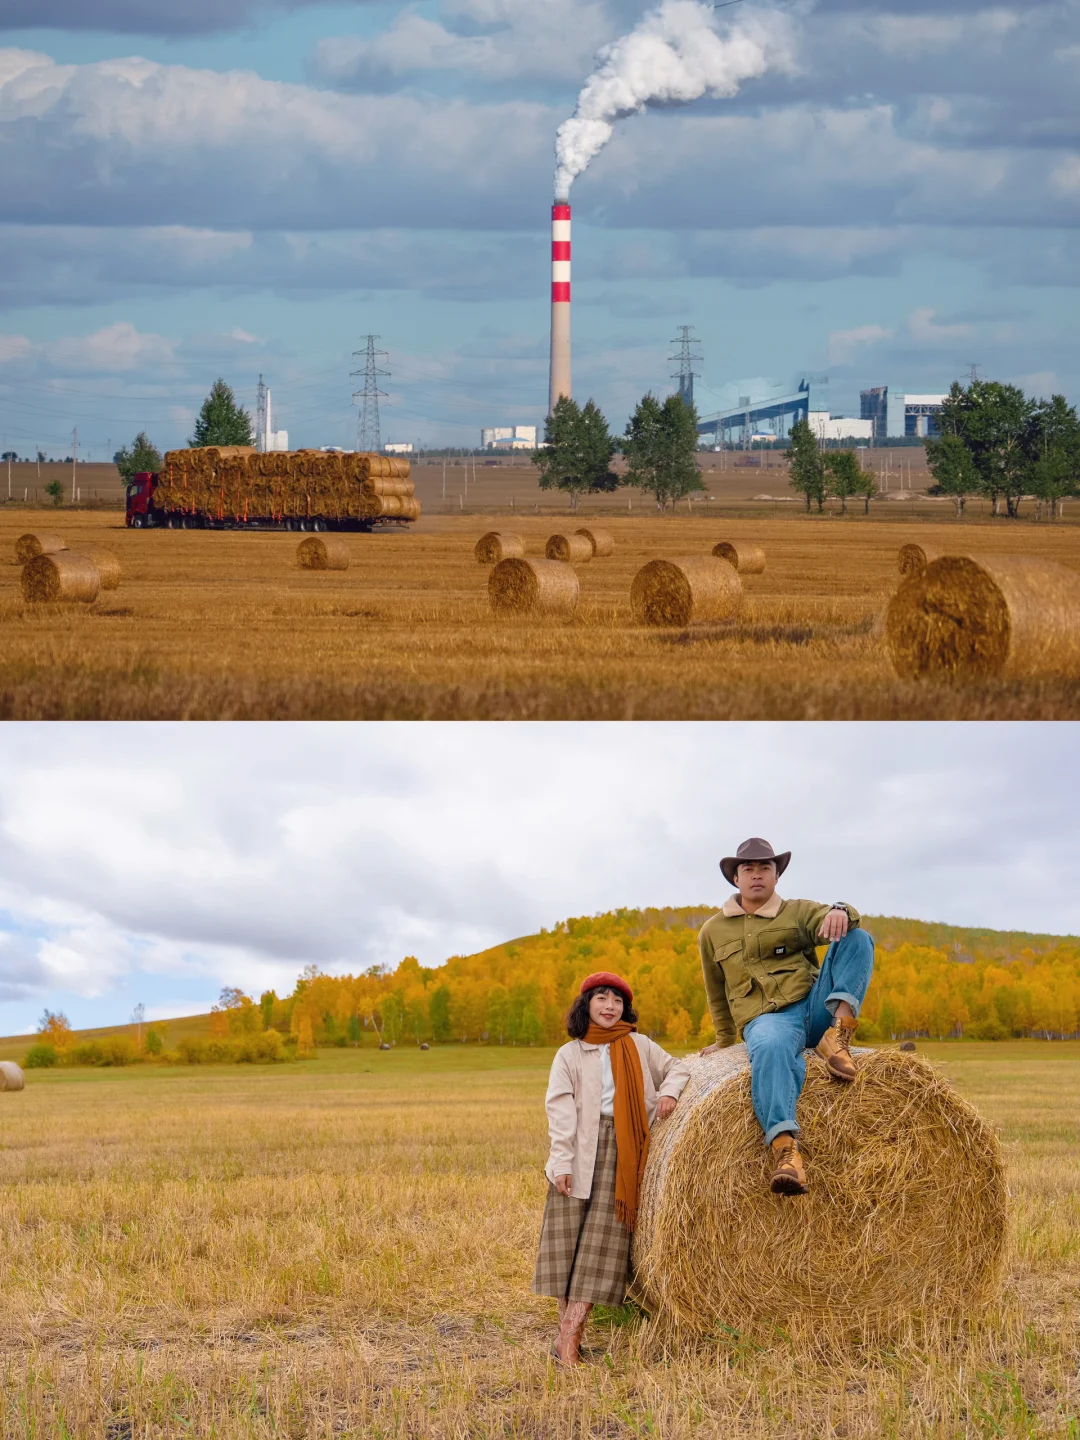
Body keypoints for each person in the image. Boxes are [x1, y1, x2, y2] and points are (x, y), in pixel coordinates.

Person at [698, 837, 874, 1196]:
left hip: (813, 1007)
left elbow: (837, 918)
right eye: (749, 869)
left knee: (858, 938)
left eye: (766, 868)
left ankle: (837, 1036)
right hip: (767, 1020)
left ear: (777, 876)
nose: (757, 875)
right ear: (736, 878)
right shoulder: (712, 931)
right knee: (772, 1048)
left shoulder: (795, 912)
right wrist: (723, 1042)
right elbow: (716, 991)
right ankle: (786, 1151)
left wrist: (840, 910)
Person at [533, 971, 690, 1365]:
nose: (609, 1006)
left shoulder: (637, 1044)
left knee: (602, 1245)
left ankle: (569, 1337)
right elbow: (560, 1109)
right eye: (601, 998)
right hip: (578, 1150)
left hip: (624, 1154)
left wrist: (669, 1093)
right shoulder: (569, 1054)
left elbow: (679, 1068)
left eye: (616, 1001)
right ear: (585, 1004)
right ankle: (564, 1335)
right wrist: (562, 1161)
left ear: (625, 1008)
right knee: (567, 1244)